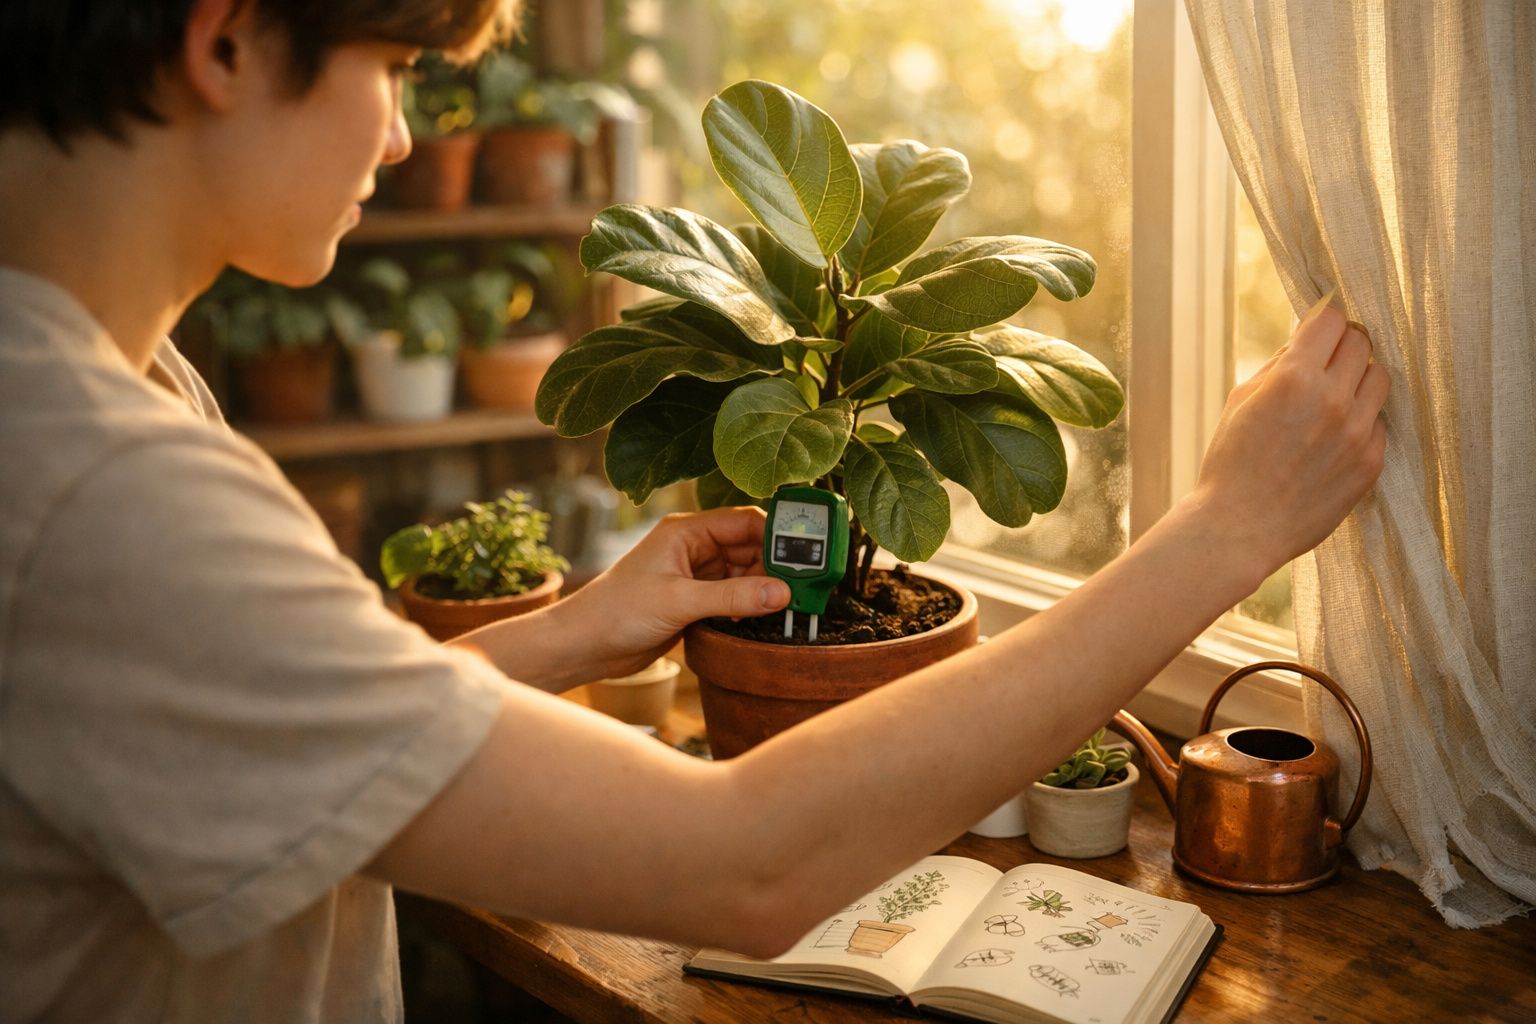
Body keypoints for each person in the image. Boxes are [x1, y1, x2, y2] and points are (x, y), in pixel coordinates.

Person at [0, 0, 1389, 1020]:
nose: (408, 127)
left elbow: (262, 743)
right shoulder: (99, 495)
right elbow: (745, 864)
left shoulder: (107, 390)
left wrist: (569, 638)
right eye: (398, 64)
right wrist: (1222, 530)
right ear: (227, 38)